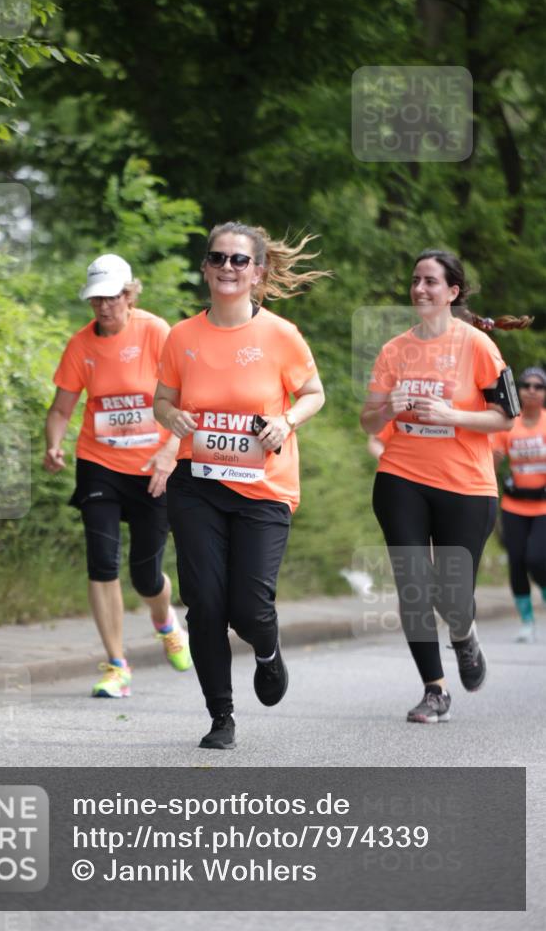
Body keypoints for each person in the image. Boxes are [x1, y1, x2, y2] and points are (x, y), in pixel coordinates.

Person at [153, 222, 327, 750]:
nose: (227, 268)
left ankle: (268, 651)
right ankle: (221, 716)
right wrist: (174, 417)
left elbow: (313, 393)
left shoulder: (281, 334)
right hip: (197, 484)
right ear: (205, 267)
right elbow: (161, 401)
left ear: (257, 272)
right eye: (218, 259)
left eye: (238, 261)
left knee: (250, 609)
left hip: (264, 487)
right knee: (205, 602)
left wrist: (287, 421)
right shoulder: (181, 337)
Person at [360, 248, 531, 724]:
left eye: (431, 282)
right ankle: (434, 690)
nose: (419, 289)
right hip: (402, 477)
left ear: (453, 292)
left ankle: (463, 634)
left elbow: (507, 414)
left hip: (466, 484)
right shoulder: (395, 349)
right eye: (415, 280)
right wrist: (388, 408)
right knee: (413, 586)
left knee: (453, 594)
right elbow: (368, 422)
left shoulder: (477, 345)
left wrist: (453, 415)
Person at [44, 253, 192, 698]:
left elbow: (186, 399)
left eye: (112, 298)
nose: (103, 307)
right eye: (96, 300)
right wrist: (53, 443)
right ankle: (116, 665)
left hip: (153, 468)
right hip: (99, 464)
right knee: (102, 562)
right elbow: (61, 408)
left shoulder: (155, 332)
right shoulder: (81, 346)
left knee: (146, 576)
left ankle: (166, 622)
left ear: (130, 295)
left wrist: (170, 451)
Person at [491, 366, 546, 642]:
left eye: (539, 386)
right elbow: (494, 459)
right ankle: (527, 622)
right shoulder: (509, 423)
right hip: (514, 505)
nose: (532, 390)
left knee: (536, 559)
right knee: (516, 563)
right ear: (519, 390)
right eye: (526, 385)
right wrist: (494, 458)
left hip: (543, 508)